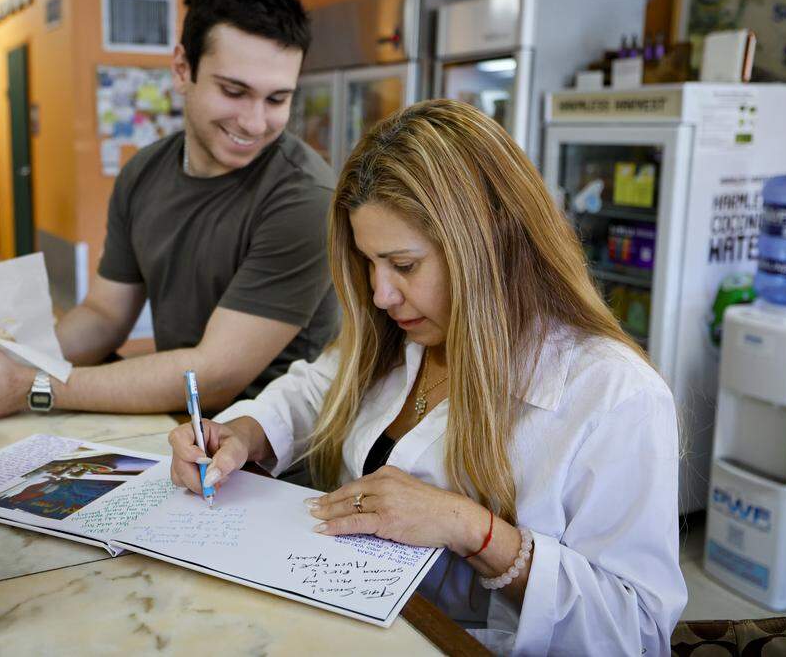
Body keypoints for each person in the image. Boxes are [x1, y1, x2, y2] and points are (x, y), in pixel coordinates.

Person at [168, 100, 686, 654]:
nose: (381, 295)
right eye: (370, 263)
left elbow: (637, 632)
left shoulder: (614, 395)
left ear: (487, 247)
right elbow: (317, 387)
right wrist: (245, 433)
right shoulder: (405, 335)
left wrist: (475, 531)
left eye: (405, 265)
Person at [0, 0, 338, 417]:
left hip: (276, 459)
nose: (254, 123)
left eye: (276, 99)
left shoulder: (305, 198)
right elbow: (103, 315)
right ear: (181, 68)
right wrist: (11, 359)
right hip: (179, 431)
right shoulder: (143, 172)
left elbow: (213, 376)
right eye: (234, 91)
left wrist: (32, 385)